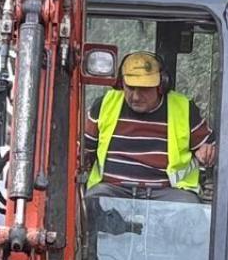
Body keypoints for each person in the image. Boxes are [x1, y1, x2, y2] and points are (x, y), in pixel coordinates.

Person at [82, 50, 215, 200]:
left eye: (145, 89)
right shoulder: (105, 104)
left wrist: (206, 151)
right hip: (112, 190)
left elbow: (211, 148)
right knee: (91, 201)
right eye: (130, 88)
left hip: (168, 193)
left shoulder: (184, 108)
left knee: (188, 206)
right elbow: (84, 149)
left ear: (161, 86)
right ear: (121, 83)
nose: (136, 96)